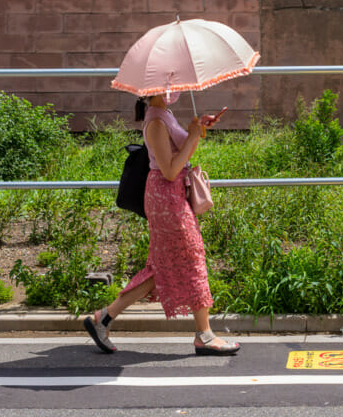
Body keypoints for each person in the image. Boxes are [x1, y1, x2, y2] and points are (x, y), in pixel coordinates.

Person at [83, 91, 237, 356]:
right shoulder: (155, 121)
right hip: (166, 199)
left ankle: (103, 318)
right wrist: (192, 136)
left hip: (172, 196)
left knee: (162, 267)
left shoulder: (165, 114)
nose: (175, 89)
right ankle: (204, 335)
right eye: (171, 84)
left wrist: (197, 130)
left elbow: (181, 156)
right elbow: (169, 170)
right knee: (192, 258)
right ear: (158, 89)